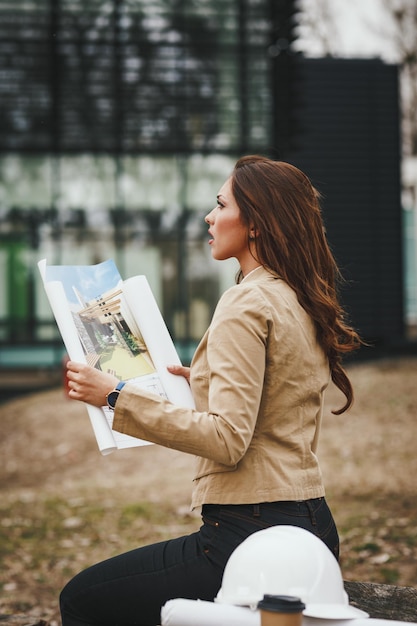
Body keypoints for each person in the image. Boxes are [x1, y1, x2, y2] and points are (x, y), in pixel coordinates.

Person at [61, 155, 362, 626]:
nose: (209, 216)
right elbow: (277, 399)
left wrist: (115, 395)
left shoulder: (244, 302)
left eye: (221, 204)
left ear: (256, 223)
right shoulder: (298, 296)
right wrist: (203, 382)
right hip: (312, 528)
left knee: (82, 598)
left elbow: (227, 439)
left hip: (250, 535)